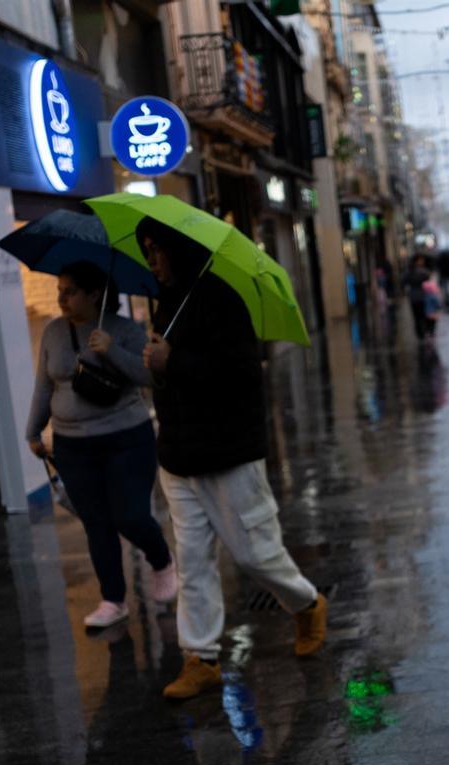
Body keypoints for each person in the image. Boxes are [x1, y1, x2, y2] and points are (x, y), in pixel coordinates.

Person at [136, 217, 327, 701]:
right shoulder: (167, 304)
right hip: (179, 455)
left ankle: (306, 604)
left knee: (254, 554)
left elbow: (240, 374)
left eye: (157, 250)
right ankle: (199, 656)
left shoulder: (223, 300)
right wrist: (154, 365)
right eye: (146, 251)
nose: (151, 261)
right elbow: (171, 375)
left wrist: (172, 362)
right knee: (193, 561)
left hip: (228, 452)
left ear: (178, 250)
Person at [26, 261, 176, 629]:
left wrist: (112, 351)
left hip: (126, 438)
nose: (61, 298)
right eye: (59, 290)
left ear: (95, 294)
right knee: (96, 522)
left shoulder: (124, 330)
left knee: (131, 516)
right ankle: (113, 600)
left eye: (70, 291)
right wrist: (33, 431)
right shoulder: (53, 333)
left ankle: (162, 561)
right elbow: (45, 386)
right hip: (72, 445)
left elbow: (150, 378)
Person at [403, 254, 433, 340]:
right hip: (422, 296)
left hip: (413, 297)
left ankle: (419, 333)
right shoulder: (423, 271)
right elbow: (428, 278)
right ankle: (424, 331)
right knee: (423, 314)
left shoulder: (408, 272)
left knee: (416, 316)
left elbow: (404, 281)